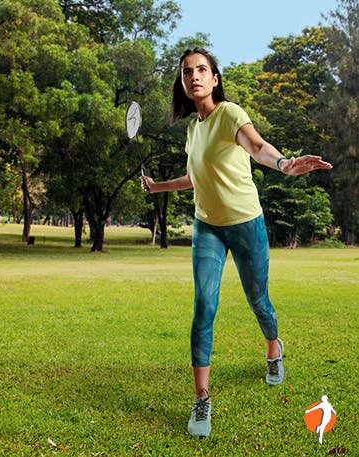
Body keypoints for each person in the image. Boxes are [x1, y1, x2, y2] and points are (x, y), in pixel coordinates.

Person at [140, 47, 333, 438]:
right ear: (182, 82)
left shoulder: (230, 113)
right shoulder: (193, 130)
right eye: (187, 72)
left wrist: (284, 163)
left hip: (246, 223)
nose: (194, 76)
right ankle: (201, 398)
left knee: (258, 299)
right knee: (204, 305)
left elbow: (257, 147)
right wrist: (158, 186)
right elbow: (195, 178)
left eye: (201, 70)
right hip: (206, 226)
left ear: (214, 78)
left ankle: (274, 348)